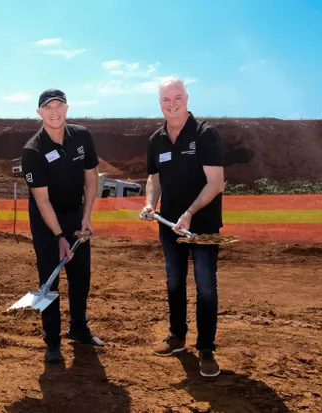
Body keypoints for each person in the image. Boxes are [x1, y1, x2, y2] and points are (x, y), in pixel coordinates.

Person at [140, 76, 225, 377]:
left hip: (202, 225)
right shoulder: (156, 140)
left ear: (187, 99)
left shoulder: (205, 134)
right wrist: (150, 203)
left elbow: (216, 183)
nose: (172, 104)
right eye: (166, 99)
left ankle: (206, 349)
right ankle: (177, 336)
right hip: (169, 225)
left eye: (177, 97)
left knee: (205, 286)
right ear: (159, 103)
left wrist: (189, 213)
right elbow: (154, 179)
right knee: (174, 281)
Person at [20, 88, 104, 364]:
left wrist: (86, 216)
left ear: (67, 108)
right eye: (48, 107)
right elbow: (42, 200)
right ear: (39, 113)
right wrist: (59, 237)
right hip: (46, 223)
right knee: (49, 281)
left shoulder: (82, 136)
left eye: (59, 106)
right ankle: (52, 341)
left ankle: (78, 327)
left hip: (76, 215)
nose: (54, 112)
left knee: (81, 277)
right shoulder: (33, 150)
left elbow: (91, 177)